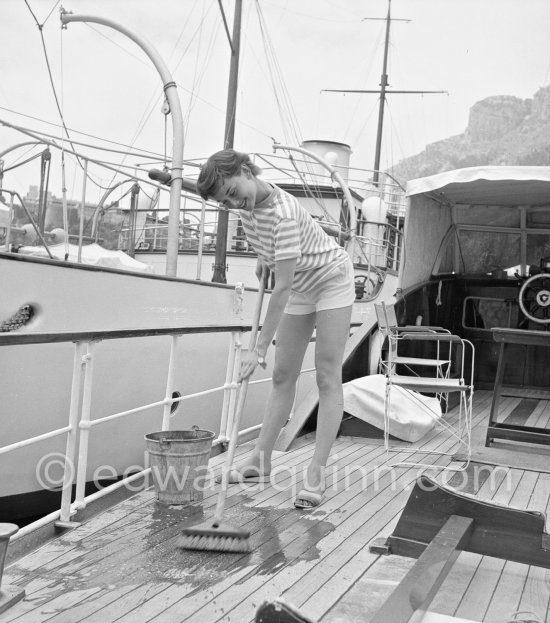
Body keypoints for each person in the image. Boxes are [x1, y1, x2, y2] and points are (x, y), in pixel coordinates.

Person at [197, 149, 355, 509]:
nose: (236, 203)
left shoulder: (283, 214)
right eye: (227, 202)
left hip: (330, 279)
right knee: (284, 376)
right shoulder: (246, 209)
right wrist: (264, 259)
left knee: (328, 375)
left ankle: (316, 472)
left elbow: (280, 290)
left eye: (235, 192)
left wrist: (259, 348)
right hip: (299, 282)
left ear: (246, 170)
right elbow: (274, 257)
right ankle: (259, 460)